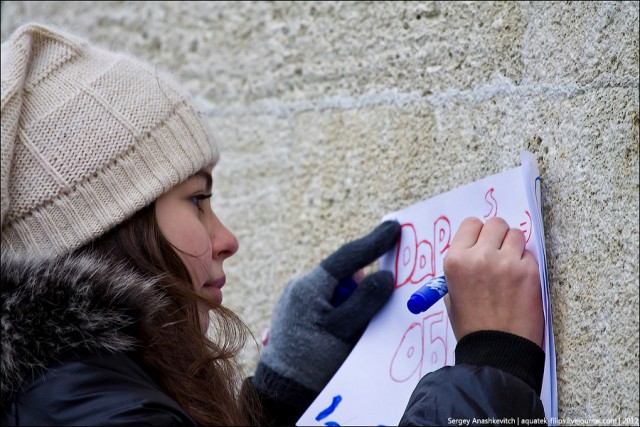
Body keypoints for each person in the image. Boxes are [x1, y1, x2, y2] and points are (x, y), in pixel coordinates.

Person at [0, 23, 546, 426]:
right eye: (197, 201)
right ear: (114, 227)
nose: (227, 239)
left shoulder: (68, 397)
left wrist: (278, 397)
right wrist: (493, 365)